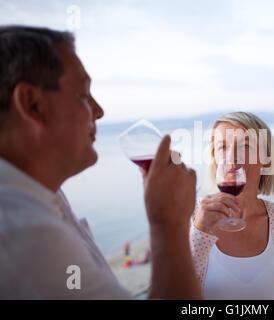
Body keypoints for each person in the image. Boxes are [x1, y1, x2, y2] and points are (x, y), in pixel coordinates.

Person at [0, 26, 201, 299]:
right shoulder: (24, 233)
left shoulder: (42, 196)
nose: (99, 111)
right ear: (32, 103)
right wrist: (168, 224)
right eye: (83, 95)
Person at [190, 112, 274, 300]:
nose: (232, 158)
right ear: (214, 157)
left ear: (266, 158)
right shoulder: (189, 218)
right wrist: (199, 231)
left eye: (245, 146)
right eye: (223, 147)